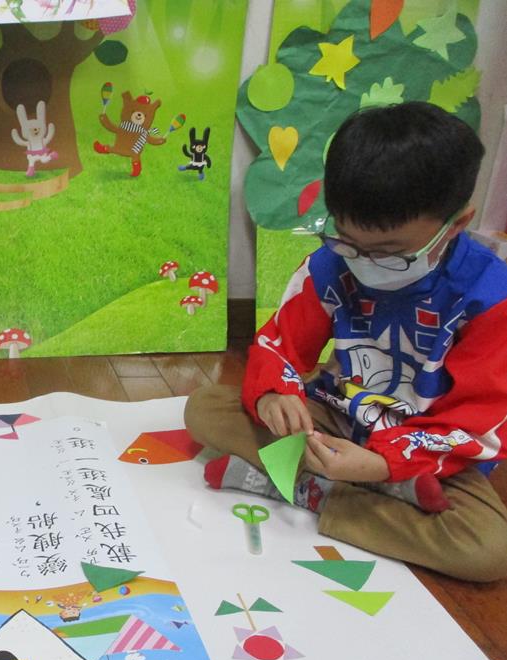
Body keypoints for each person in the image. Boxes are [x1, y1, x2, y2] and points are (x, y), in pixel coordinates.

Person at [185, 102, 507, 582]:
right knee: (204, 408)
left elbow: (477, 425)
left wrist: (383, 464)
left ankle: (305, 489)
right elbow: (279, 345)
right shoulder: (331, 263)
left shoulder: (491, 297)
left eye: (391, 252)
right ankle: (359, 494)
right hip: (335, 420)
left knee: (486, 551)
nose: (364, 261)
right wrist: (275, 394)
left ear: (457, 224)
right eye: (347, 240)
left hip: (425, 452)